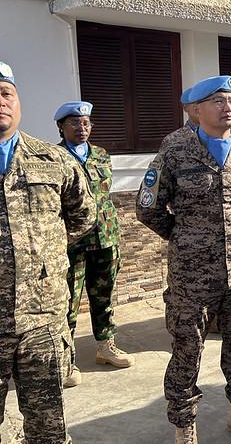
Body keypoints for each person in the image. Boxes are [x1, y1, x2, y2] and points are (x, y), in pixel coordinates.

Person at [136, 75, 231, 444]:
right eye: (218, 101)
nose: (228, 107)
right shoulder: (174, 150)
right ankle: (184, 425)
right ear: (196, 110)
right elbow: (147, 208)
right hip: (191, 278)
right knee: (187, 350)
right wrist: (185, 238)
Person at [0, 61, 96, 444]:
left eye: (5, 93)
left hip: (41, 318)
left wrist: (41, 256)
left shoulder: (53, 160)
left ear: (19, 101)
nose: (0, 102)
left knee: (47, 426)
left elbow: (82, 215)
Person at [53, 101, 134, 390]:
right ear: (61, 127)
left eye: (86, 123)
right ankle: (64, 358)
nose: (82, 128)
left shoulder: (101, 155)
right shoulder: (53, 157)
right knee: (67, 302)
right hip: (70, 242)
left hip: (106, 236)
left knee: (105, 295)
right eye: (74, 123)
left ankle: (105, 347)